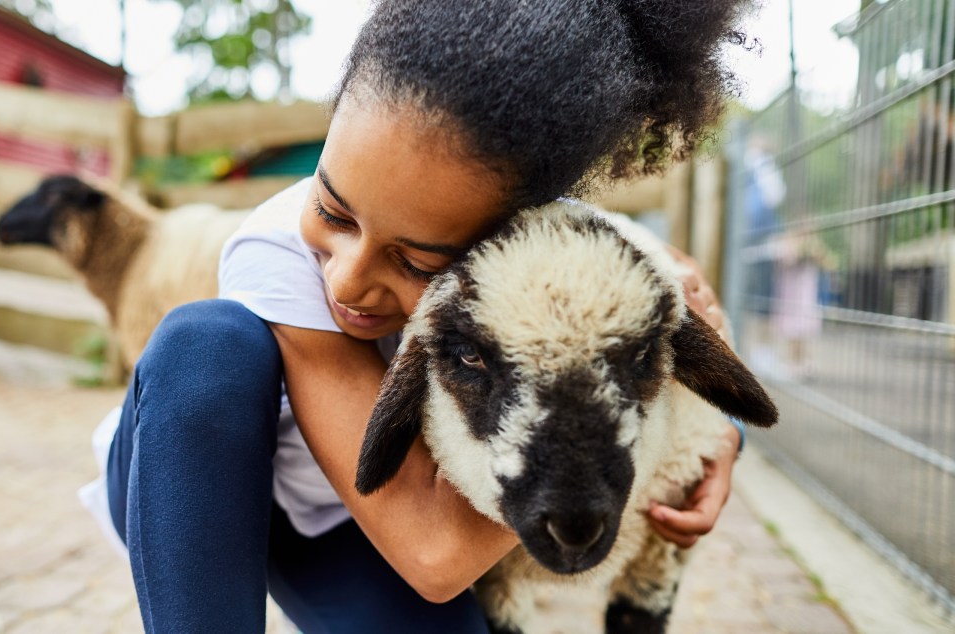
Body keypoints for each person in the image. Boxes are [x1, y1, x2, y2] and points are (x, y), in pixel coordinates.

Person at [93, 1, 754, 631]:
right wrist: (645, 432)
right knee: (208, 344)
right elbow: (436, 556)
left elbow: (670, 342)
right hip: (199, 484)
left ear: (516, 226)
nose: (346, 278)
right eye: (332, 209)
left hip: (349, 531)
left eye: (415, 262)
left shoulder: (577, 259)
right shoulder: (277, 251)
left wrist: (711, 427)